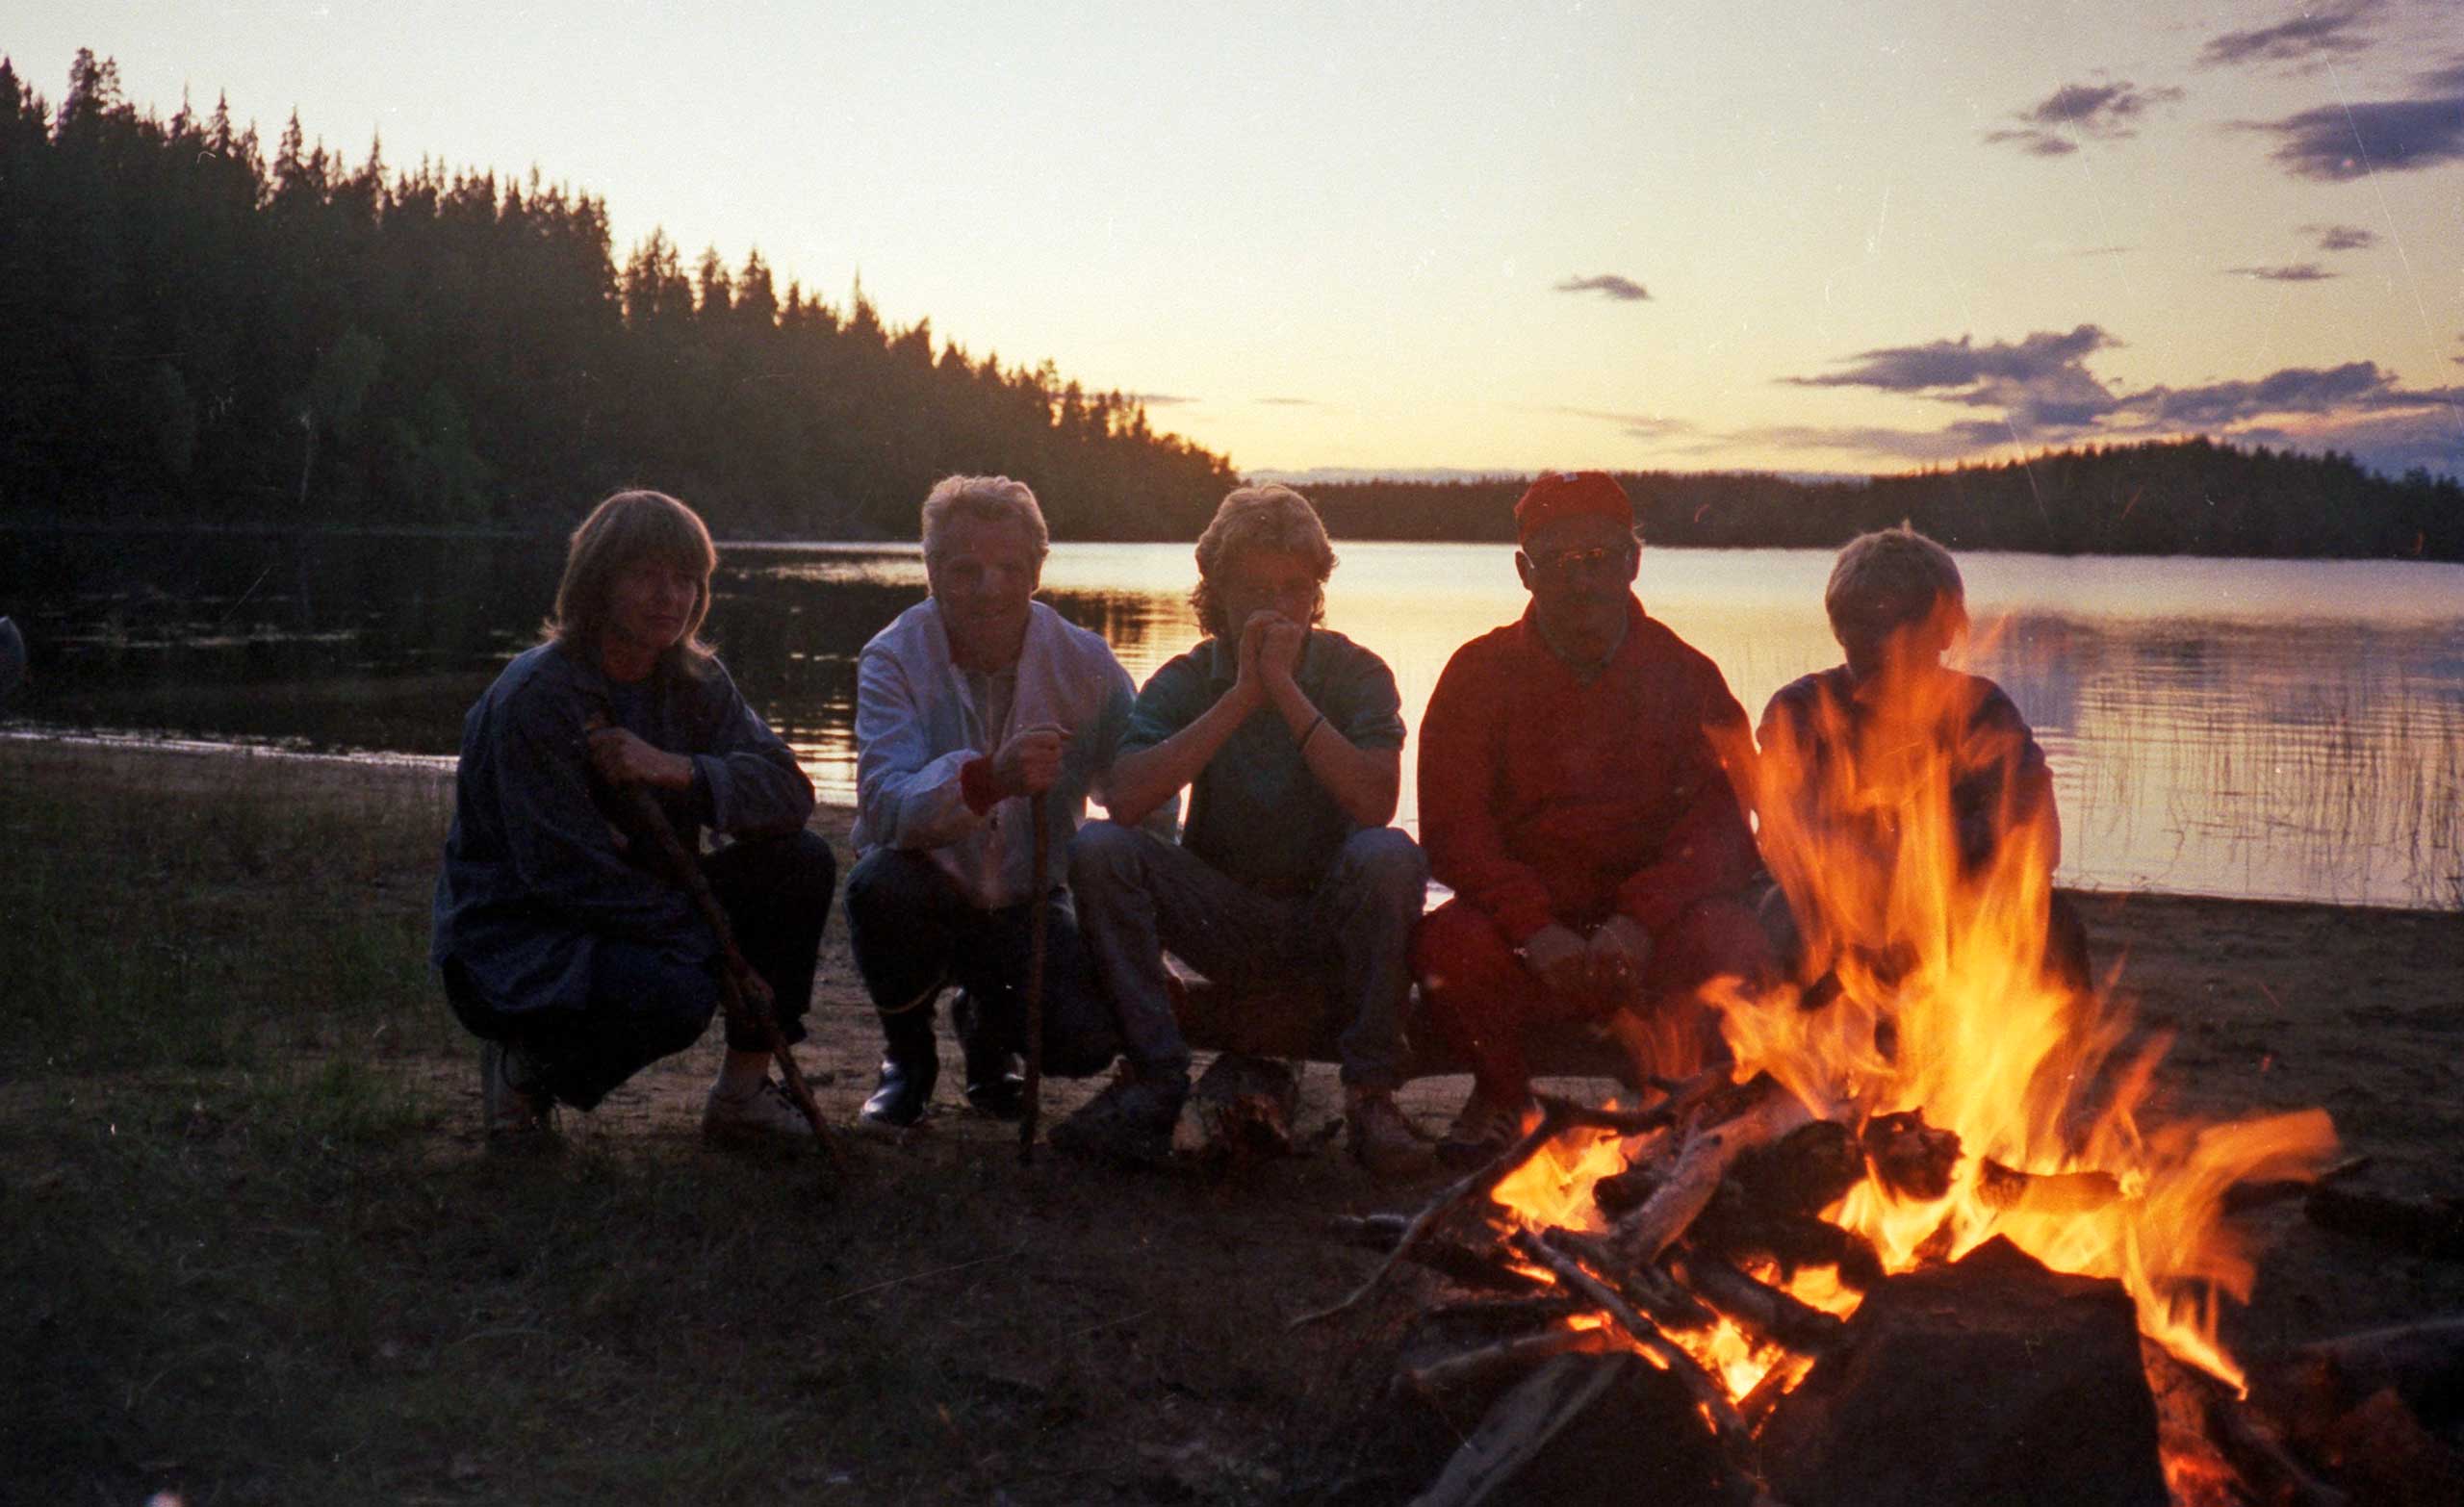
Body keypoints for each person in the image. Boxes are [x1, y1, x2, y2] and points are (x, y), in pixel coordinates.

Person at [432, 490, 834, 1147]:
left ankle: (742, 1097)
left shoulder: (697, 680)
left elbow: (789, 792)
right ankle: (521, 1069)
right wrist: (722, 957)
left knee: (800, 862)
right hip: (523, 939)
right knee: (677, 992)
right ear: (598, 581)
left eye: (685, 578)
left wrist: (677, 769)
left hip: (642, 903)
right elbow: (564, 875)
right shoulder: (536, 698)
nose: (669, 596)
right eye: (647, 574)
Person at [1065, 483, 1428, 1174]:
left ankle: (1371, 1095)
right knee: (1101, 848)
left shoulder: (1355, 672)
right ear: (1218, 594)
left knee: (1390, 854)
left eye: (1295, 588)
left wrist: (1284, 690)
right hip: (1221, 921)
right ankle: (1154, 1076)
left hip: (1328, 921)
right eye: (1255, 590)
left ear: (1317, 593)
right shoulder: (1188, 678)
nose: (1277, 607)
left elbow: (1375, 803)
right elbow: (1127, 799)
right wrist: (1241, 695)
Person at [1413, 471, 1771, 1167]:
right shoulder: (1476, 673)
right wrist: (1533, 928)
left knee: (1731, 940)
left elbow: (1724, 827)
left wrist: (1640, 920)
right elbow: (1455, 830)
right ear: (1524, 572)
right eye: (1558, 562)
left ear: (1633, 563)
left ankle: (1679, 1108)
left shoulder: (1687, 675)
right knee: (1446, 945)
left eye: (1601, 558)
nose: (1582, 580)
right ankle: (1503, 1097)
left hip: (1649, 937)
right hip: (1531, 940)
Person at [845, 474, 1133, 1131]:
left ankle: (986, 1034)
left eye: (1009, 569)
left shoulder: (1087, 662)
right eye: (965, 570)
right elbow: (883, 807)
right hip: (922, 887)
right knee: (878, 888)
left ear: (1037, 571)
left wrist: (1144, 934)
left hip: (1032, 902)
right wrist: (987, 780)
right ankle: (907, 1058)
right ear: (931, 573)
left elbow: (1139, 795)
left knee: (1087, 1041)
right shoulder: (892, 657)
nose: (990, 588)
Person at [1755, 524, 2087, 999]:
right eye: (1862, 626)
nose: (1883, 647)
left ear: (1945, 630)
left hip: (1961, 910)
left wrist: (1927, 872)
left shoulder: (1982, 710)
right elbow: (1783, 841)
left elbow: (2038, 835)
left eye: (1902, 626)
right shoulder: (1800, 711)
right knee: (1780, 917)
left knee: (2054, 924)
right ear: (1839, 629)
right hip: (1836, 914)